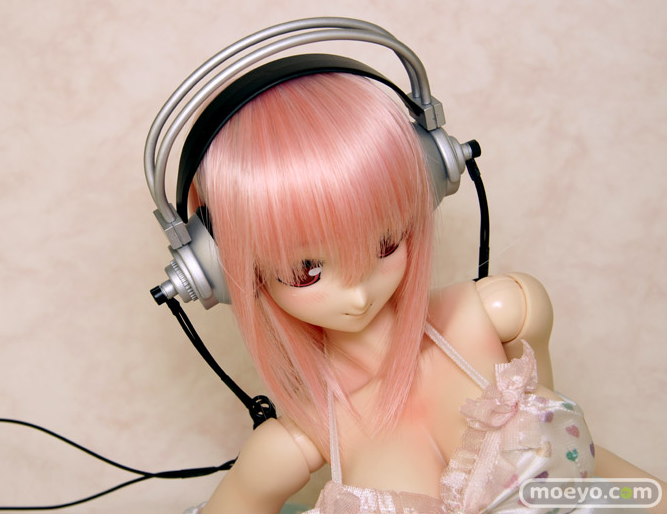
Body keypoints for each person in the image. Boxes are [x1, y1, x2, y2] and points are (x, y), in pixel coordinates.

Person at [181, 68, 663, 514]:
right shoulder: (291, 445)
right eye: (306, 270)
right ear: (221, 272)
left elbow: (593, 478)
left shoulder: (504, 312)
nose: (358, 295)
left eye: (385, 242)